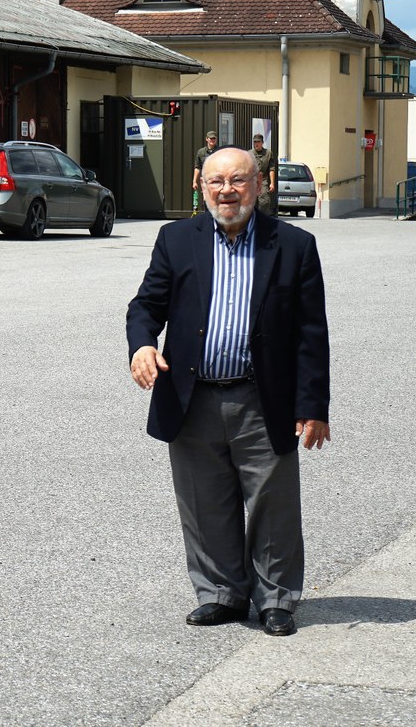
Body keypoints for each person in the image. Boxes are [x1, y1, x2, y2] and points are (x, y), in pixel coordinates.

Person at [126, 147, 330, 637]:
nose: (227, 191)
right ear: (201, 185)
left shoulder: (293, 245)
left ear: (260, 185)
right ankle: (220, 593)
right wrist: (142, 347)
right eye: (216, 182)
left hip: (263, 399)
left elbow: (311, 333)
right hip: (191, 396)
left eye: (238, 180)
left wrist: (313, 406)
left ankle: (276, 599)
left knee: (272, 503)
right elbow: (146, 305)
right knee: (203, 503)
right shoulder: (175, 239)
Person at [191, 131, 218, 214]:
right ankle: (208, 218)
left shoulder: (220, 151)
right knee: (206, 200)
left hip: (217, 180)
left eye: (214, 138)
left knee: (216, 200)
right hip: (206, 180)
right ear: (207, 139)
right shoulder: (201, 152)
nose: (212, 140)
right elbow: (197, 167)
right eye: (211, 138)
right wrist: (194, 181)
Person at [250, 134, 277, 216]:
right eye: (255, 142)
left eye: (258, 142)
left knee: (264, 200)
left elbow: (271, 169)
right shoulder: (249, 153)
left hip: (263, 180)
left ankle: (262, 217)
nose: (256, 144)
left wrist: (272, 183)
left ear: (262, 142)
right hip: (251, 180)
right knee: (251, 201)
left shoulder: (268, 153)